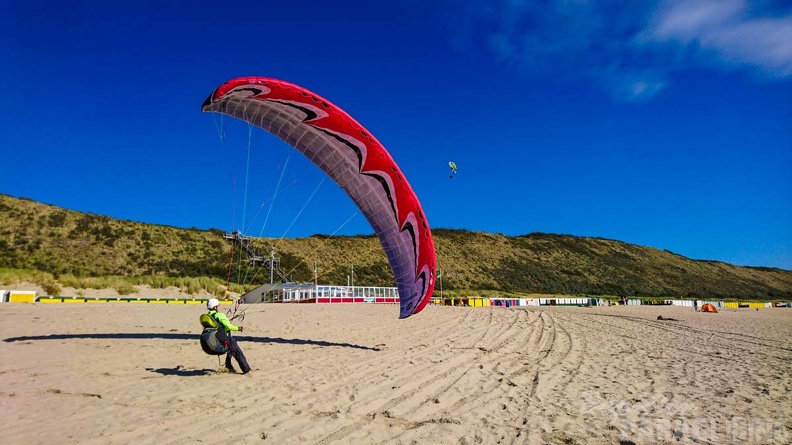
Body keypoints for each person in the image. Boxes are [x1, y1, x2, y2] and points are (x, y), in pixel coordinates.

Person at [206, 298, 251, 374]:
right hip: (224, 339)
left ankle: (228, 366)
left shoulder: (208, 316)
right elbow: (229, 327)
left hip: (216, 339)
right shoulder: (219, 315)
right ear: (215, 307)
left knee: (230, 349)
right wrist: (238, 328)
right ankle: (246, 370)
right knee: (237, 352)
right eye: (217, 306)